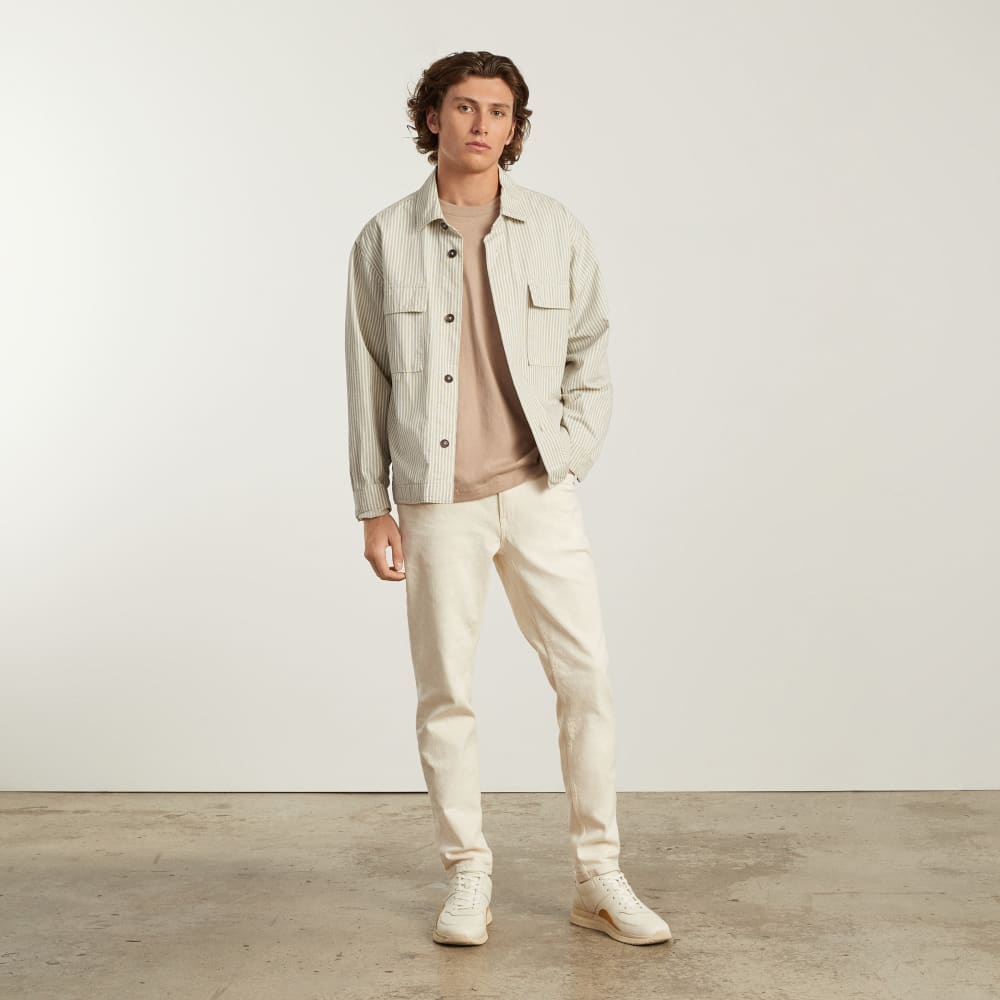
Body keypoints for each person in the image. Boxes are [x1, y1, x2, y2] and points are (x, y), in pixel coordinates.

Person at [344, 50, 672, 947]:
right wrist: (373, 504)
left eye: (498, 111)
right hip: (435, 499)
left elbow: (590, 352)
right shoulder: (384, 240)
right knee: (446, 692)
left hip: (536, 491)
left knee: (586, 679)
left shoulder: (555, 229)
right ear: (432, 117)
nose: (482, 124)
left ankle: (598, 878)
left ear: (515, 128)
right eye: (464, 107)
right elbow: (367, 380)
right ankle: (468, 876)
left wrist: (568, 455)